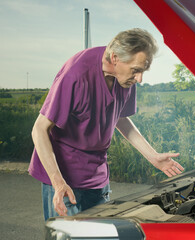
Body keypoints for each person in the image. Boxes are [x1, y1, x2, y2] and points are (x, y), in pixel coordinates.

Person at [28, 28, 184, 221]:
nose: (140, 79)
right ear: (115, 58)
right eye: (136, 70)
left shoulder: (125, 79)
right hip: (64, 177)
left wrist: (152, 156)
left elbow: (120, 117)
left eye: (143, 71)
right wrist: (58, 182)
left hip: (97, 175)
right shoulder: (75, 74)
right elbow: (39, 129)